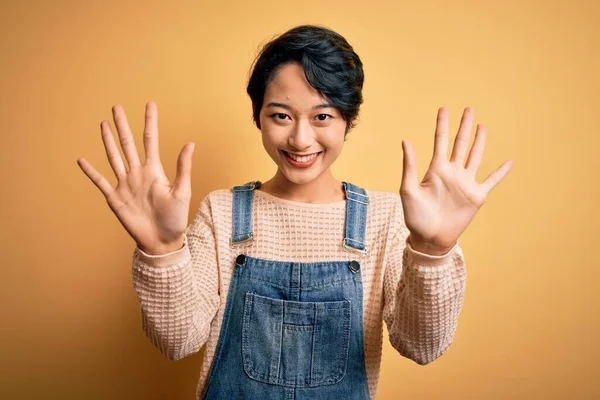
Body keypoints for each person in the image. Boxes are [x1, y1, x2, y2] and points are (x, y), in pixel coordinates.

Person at [77, 24, 513, 400]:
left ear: (348, 120)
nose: (301, 139)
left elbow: (423, 345)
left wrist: (432, 251)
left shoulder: (385, 219)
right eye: (281, 115)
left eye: (322, 116)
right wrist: (162, 248)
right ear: (257, 115)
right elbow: (176, 342)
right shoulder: (222, 213)